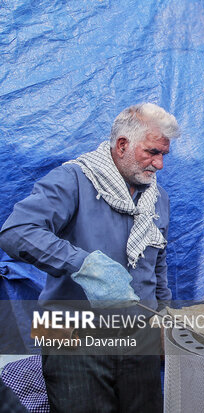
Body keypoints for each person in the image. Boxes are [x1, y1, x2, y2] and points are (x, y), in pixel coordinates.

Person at [0, 103, 179, 412]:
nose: (159, 164)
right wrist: (82, 264)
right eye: (152, 152)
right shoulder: (73, 180)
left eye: (164, 155)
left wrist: (164, 317)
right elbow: (17, 231)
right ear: (122, 144)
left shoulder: (157, 198)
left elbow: (156, 265)